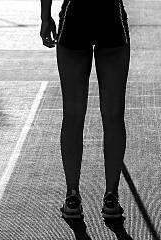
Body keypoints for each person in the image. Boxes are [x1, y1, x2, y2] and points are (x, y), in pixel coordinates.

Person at [40, 0, 130, 219]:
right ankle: (111, 196)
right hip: (110, 18)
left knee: (72, 114)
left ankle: (72, 195)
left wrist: (45, 17)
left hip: (75, 16)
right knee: (113, 114)